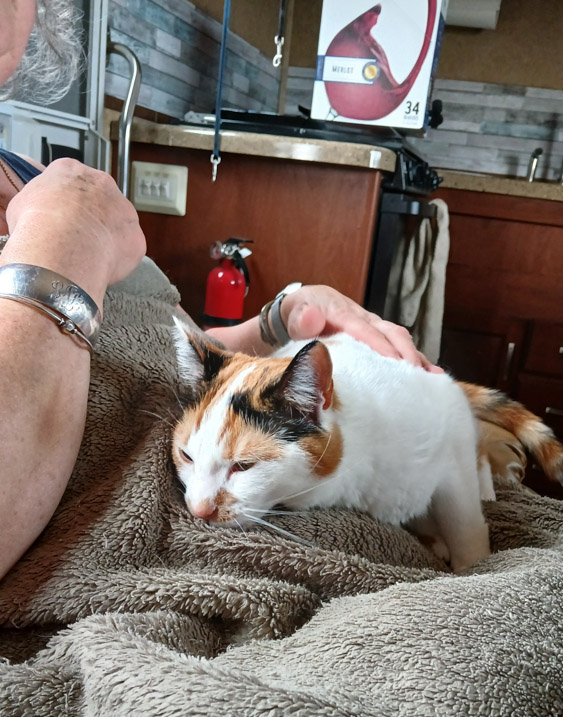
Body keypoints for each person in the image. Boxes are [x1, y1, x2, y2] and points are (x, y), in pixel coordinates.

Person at [0, 0, 440, 582]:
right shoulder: (63, 207)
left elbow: (165, 353)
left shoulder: (31, 175)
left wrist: (278, 321)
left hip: (282, 504)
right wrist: (65, 244)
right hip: (153, 556)